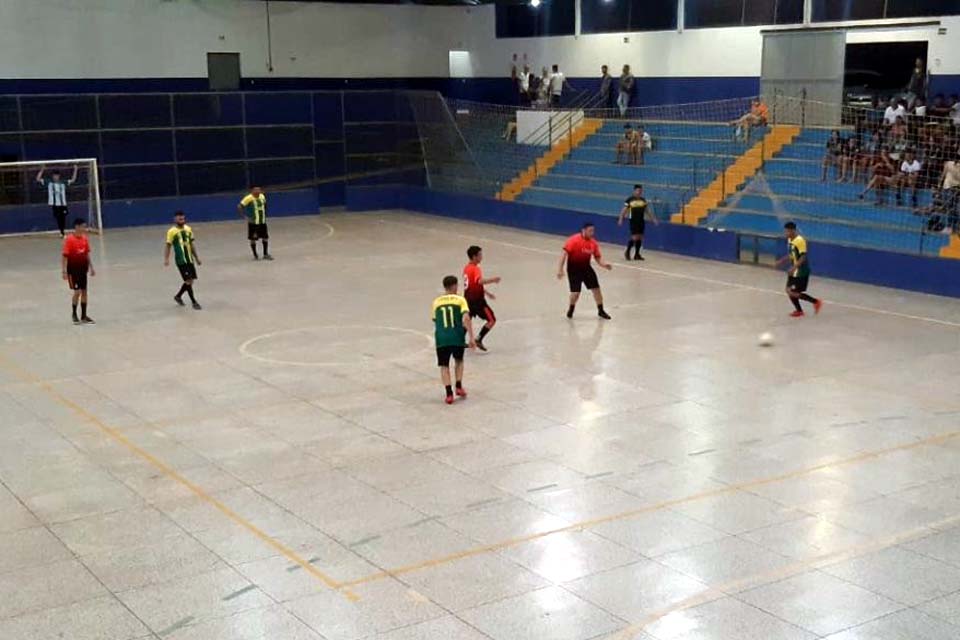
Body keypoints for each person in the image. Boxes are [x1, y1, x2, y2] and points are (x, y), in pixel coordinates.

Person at [432, 275, 476, 404]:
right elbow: (466, 318)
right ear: (454, 286)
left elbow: (435, 320)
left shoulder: (436, 302)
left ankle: (449, 394)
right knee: (459, 360)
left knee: (444, 365)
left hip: (441, 338)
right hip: (456, 336)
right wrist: (472, 337)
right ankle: (458, 386)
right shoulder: (460, 300)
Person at [557, 222, 613, 320]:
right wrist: (560, 269)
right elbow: (564, 253)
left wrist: (604, 265)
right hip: (574, 269)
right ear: (583, 230)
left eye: (593, 231)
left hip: (586, 268)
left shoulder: (593, 243)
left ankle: (601, 310)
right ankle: (571, 308)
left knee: (596, 289)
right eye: (590, 231)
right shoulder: (573, 240)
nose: (592, 233)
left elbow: (597, 257)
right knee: (575, 294)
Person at [775, 222, 822, 318]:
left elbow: (803, 257)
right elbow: (792, 254)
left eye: (787, 231)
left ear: (793, 231)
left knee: (794, 292)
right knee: (788, 290)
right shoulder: (789, 240)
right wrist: (782, 261)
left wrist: (794, 267)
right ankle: (799, 311)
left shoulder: (800, 241)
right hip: (794, 270)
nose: (786, 233)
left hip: (801, 271)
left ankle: (816, 302)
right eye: (785, 231)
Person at [463, 245, 501, 352]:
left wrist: (487, 293)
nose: (482, 257)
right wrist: (493, 280)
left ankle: (459, 341)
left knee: (467, 319)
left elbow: (472, 285)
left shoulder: (466, 268)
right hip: (478, 301)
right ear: (474, 256)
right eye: (480, 255)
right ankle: (479, 339)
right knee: (492, 320)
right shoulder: (476, 269)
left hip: (468, 299)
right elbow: (479, 281)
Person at [164, 211, 202, 310]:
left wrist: (197, 258)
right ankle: (194, 301)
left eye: (183, 219)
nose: (182, 221)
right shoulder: (171, 232)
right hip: (181, 260)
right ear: (175, 220)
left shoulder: (189, 229)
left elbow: (191, 244)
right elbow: (168, 245)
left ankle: (178, 296)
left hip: (189, 259)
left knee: (191, 280)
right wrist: (166, 259)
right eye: (180, 219)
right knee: (188, 280)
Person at [61, 217, 95, 324]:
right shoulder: (69, 240)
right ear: (77, 227)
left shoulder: (85, 239)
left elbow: (86, 254)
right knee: (77, 292)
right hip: (73, 270)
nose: (85, 229)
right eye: (83, 226)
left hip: (82, 270)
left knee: (84, 292)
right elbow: (65, 256)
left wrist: (91, 267)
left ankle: (84, 316)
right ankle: (74, 314)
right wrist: (64, 271)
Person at [618, 184, 659, 261]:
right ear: (634, 191)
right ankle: (627, 251)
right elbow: (624, 210)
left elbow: (647, 210)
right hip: (633, 220)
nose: (639, 192)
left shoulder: (643, 200)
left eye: (640, 191)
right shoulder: (630, 200)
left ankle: (637, 254)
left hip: (641, 220)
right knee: (635, 237)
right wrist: (621, 219)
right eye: (638, 190)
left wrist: (653, 219)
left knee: (640, 237)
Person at [36, 165, 78, 238]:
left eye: (57, 176)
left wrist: (75, 170)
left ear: (59, 176)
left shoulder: (63, 182)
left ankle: (62, 231)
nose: (55, 177)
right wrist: (42, 170)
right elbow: (38, 179)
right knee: (58, 218)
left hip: (63, 204)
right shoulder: (49, 182)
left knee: (63, 217)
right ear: (52, 176)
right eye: (54, 176)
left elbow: (73, 180)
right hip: (55, 204)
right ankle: (62, 232)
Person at [238, 186, 271, 260]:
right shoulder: (248, 198)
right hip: (253, 222)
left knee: (265, 237)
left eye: (259, 189)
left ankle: (265, 254)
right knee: (253, 238)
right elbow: (240, 206)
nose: (257, 191)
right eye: (256, 189)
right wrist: (245, 217)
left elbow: (264, 205)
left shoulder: (262, 196)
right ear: (252, 191)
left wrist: (264, 213)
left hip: (262, 221)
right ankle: (255, 255)